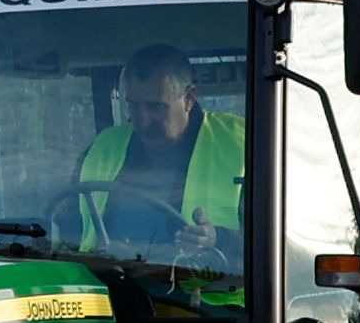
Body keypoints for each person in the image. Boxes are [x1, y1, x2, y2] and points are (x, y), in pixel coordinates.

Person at [70, 43, 245, 265]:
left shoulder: (244, 145)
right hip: (109, 289)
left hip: (205, 296)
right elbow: (66, 227)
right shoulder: (103, 147)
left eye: (156, 107)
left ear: (189, 98)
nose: (143, 121)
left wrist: (218, 239)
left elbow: (282, 245)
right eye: (134, 106)